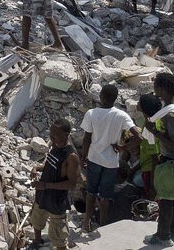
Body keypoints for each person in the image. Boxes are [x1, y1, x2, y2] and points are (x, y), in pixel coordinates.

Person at [143, 72, 174, 246]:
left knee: (165, 199)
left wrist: (154, 131)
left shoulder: (169, 115)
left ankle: (163, 236)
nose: (154, 88)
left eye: (156, 85)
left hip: (173, 159)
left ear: (163, 89)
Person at [81, 84, 139, 231]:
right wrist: (123, 148)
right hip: (111, 163)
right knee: (106, 197)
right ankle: (103, 226)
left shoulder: (91, 113)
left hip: (94, 159)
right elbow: (138, 137)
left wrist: (83, 157)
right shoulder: (122, 115)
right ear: (115, 98)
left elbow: (87, 138)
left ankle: (87, 220)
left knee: (91, 192)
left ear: (101, 96)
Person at [28, 118, 81, 250]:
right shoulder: (55, 146)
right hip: (43, 193)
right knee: (37, 218)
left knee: (58, 232)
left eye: (55, 135)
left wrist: (46, 185)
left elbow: (72, 184)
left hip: (57, 199)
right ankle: (37, 241)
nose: (51, 138)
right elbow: (50, 164)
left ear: (66, 135)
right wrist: (37, 168)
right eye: (50, 134)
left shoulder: (70, 156)